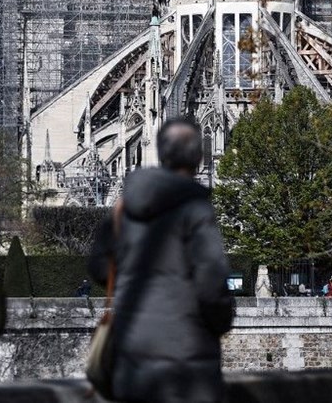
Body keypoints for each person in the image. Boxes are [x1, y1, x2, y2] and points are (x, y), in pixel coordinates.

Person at [87, 118, 233, 403]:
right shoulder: (196, 208)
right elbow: (212, 282)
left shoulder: (124, 205)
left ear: (159, 151)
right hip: (188, 359)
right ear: (200, 156)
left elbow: (99, 266)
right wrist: (219, 323)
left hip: (133, 355)